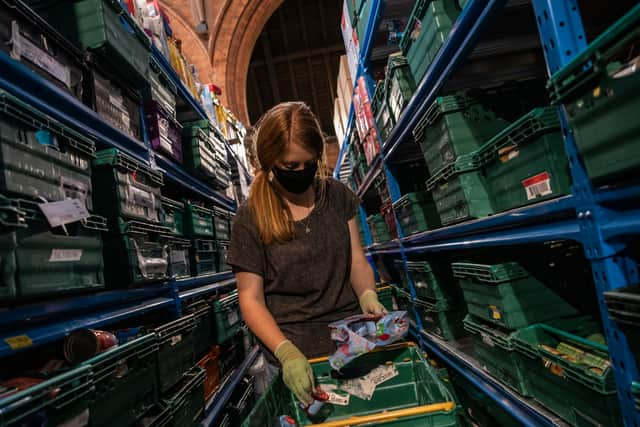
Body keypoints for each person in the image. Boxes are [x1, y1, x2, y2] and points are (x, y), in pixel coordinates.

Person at [227, 102, 386, 405]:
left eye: (308, 163)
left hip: (350, 346)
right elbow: (250, 299)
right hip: (293, 358)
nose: (301, 172)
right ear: (270, 160)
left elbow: (355, 258)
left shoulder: (336, 196)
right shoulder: (251, 217)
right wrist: (285, 351)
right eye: (290, 166)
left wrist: (367, 293)